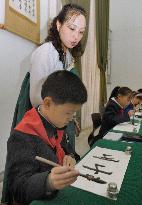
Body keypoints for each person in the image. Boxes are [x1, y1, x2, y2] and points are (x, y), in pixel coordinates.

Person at [4, 70, 87, 205]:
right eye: (68, 112)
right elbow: (17, 188)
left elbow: (65, 148)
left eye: (74, 113)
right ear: (48, 103)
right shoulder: (22, 137)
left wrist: (69, 156)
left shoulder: (56, 121)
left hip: (59, 193)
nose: (71, 118)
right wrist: (48, 182)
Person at [30, 3, 87, 150]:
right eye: (72, 28)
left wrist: (71, 117)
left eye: (81, 32)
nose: (76, 36)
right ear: (58, 24)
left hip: (60, 119)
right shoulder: (45, 53)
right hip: (45, 124)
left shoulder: (67, 55)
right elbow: (37, 99)